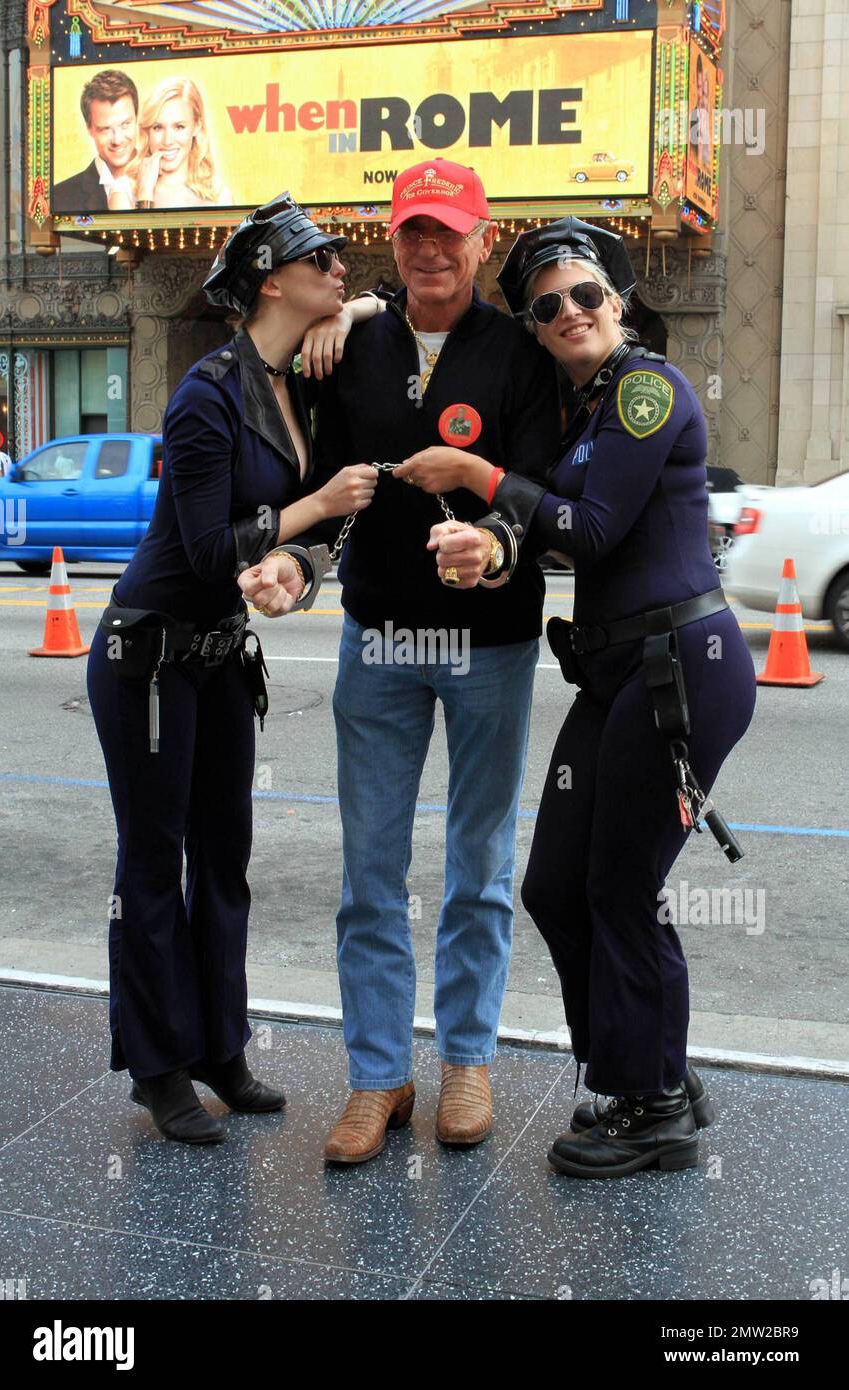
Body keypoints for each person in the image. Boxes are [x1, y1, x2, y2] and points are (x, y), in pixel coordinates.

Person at [423, 216, 757, 1177]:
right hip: (619, 673)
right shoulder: (583, 407)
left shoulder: (645, 390)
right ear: (531, 325)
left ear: (618, 302)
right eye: (546, 304)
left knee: (620, 888)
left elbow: (596, 528)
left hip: (678, 667)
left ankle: (650, 1104)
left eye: (584, 295)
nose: (568, 312)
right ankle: (647, 1063)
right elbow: (557, 525)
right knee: (554, 887)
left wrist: (481, 478)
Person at [241, 158, 559, 1164]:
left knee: (477, 866)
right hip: (376, 641)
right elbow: (325, 493)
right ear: (394, 238)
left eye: (447, 232)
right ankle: (378, 1072)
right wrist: (295, 559)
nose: (429, 249)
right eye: (411, 232)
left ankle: (465, 1056)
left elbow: (545, 499)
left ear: (481, 240)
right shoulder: (351, 347)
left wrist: (495, 545)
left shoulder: (521, 354)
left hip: (491, 645)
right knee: (370, 872)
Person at [86, 194, 380, 1144]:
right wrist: (313, 508)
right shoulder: (206, 393)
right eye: (321, 258)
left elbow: (384, 312)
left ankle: (220, 1045)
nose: (340, 266)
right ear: (270, 280)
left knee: (225, 861)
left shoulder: (304, 379)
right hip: (151, 657)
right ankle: (157, 1065)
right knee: (152, 861)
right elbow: (210, 550)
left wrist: (352, 311)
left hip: (217, 662)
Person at [110, 78, 230, 211]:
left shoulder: (219, 196)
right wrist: (145, 193)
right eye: (157, 127)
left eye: (179, 127)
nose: (167, 141)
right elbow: (140, 232)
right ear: (147, 131)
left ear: (196, 126)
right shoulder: (123, 191)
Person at [52, 69, 138, 214]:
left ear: (137, 118)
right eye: (105, 129)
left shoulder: (172, 181)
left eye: (125, 124)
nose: (117, 139)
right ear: (89, 129)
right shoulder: (59, 197)